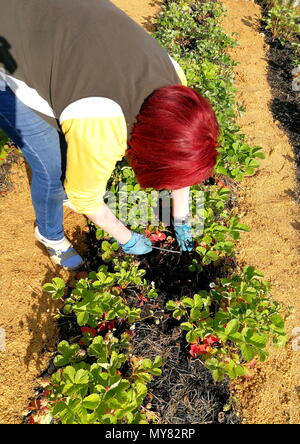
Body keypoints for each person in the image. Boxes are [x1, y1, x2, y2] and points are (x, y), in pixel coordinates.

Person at [0, 0, 219, 270]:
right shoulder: (102, 122)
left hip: (59, 22)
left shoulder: (174, 82)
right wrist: (126, 238)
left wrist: (181, 216)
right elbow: (85, 198)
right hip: (9, 43)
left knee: (70, 143)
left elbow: (180, 148)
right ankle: (50, 236)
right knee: (49, 168)